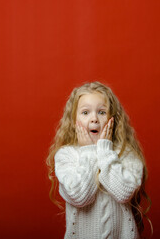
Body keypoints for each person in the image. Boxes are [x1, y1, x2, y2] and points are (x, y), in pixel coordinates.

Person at [46, 81, 151, 239]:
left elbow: (124, 193)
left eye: (101, 112)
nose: (94, 118)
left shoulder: (125, 153)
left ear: (112, 119)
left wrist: (104, 150)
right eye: (85, 112)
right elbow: (80, 196)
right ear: (74, 121)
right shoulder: (66, 155)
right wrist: (88, 151)